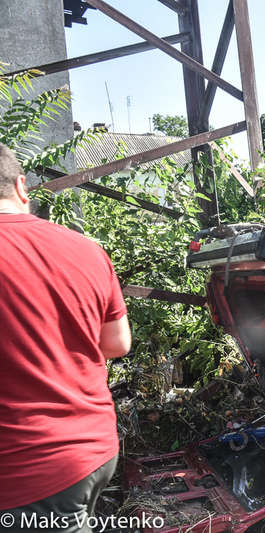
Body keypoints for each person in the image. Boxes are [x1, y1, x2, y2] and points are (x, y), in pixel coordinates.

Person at [0, 143, 131, 533]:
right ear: (21, 187)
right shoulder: (86, 248)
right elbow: (118, 343)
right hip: (92, 449)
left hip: (25, 471)